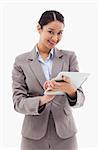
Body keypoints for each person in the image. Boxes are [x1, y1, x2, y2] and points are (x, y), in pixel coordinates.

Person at [12, 10, 85, 150]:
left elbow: (81, 99)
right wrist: (44, 99)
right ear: (39, 28)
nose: (55, 38)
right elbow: (18, 103)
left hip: (65, 135)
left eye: (60, 33)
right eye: (51, 31)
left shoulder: (69, 58)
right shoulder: (21, 61)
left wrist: (70, 90)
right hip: (33, 135)